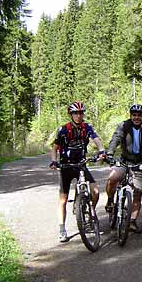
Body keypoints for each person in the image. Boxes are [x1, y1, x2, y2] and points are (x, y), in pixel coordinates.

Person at [50, 102, 105, 243]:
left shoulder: (86, 127)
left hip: (81, 165)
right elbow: (55, 147)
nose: (79, 116)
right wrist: (54, 161)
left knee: (96, 192)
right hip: (66, 167)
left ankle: (88, 215)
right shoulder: (63, 129)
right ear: (71, 115)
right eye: (76, 113)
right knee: (62, 200)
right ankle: (62, 229)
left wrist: (101, 150)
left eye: (81, 113)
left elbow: (96, 139)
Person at [104, 104, 142, 234]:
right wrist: (109, 154)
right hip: (124, 161)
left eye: (139, 115)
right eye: (134, 115)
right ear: (131, 115)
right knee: (112, 178)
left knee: (137, 193)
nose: (137, 117)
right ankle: (110, 200)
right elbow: (115, 139)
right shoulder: (124, 126)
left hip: (140, 163)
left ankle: (132, 221)